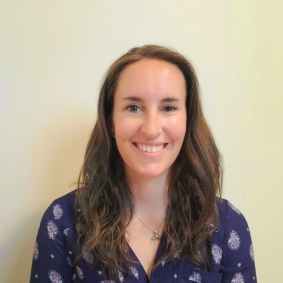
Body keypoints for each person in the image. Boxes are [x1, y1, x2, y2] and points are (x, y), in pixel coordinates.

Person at [30, 45, 257, 283]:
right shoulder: (62, 222)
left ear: (188, 119)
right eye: (133, 107)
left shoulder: (227, 225)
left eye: (168, 108)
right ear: (110, 121)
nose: (151, 129)